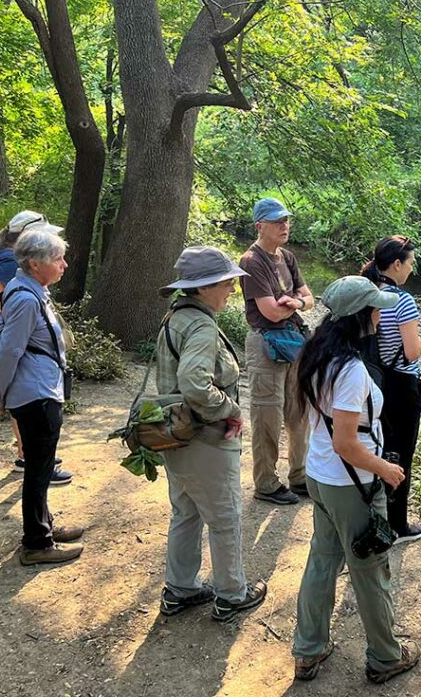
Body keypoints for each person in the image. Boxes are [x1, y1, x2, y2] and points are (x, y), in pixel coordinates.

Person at [290, 276, 420, 684]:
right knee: (370, 569)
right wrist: (386, 469)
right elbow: (347, 443)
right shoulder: (351, 371)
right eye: (377, 309)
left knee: (323, 561)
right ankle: (385, 657)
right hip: (353, 485)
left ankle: (308, 650)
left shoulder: (316, 353)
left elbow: (327, 431)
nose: (382, 315)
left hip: (320, 476)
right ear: (363, 317)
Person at [155, 246, 267, 622]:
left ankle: (180, 588)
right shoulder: (201, 325)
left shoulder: (176, 316)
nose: (232, 289)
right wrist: (230, 410)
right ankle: (232, 594)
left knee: (185, 510)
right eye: (226, 283)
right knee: (225, 516)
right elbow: (194, 384)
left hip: (177, 435)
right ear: (203, 288)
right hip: (205, 438)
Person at [0, 230, 83, 566]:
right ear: (35, 264)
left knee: (40, 466)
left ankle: (44, 525)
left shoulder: (33, 290)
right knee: (39, 469)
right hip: (35, 396)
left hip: (40, 391)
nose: (64, 265)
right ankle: (37, 543)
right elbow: (8, 350)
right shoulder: (25, 298)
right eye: (57, 258)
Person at [0, 210, 72, 485]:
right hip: (22, 348)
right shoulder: (11, 258)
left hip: (19, 343)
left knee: (22, 400)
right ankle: (34, 459)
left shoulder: (2, 254)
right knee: (30, 403)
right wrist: (6, 327)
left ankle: (27, 455)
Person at [239, 197, 314, 505]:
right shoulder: (251, 261)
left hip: (293, 342)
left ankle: (299, 477)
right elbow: (269, 312)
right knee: (267, 416)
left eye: (286, 220)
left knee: (299, 413)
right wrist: (293, 303)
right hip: (266, 344)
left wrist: (295, 302)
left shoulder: (287, 257)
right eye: (277, 222)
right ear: (260, 226)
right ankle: (267, 483)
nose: (284, 226)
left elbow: (309, 298)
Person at [361, 236, 421, 544]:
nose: (411, 269)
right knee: (403, 454)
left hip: (377, 379)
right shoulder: (403, 300)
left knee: (381, 445)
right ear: (396, 264)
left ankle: (376, 512)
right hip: (403, 383)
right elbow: (412, 352)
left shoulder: (368, 291)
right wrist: (420, 342)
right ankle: (398, 525)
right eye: (410, 263)